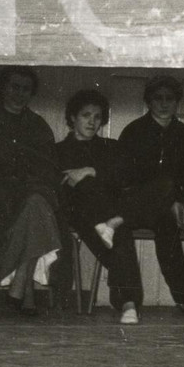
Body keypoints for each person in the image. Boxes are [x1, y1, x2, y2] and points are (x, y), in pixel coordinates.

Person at [0, 66, 64, 316]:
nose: (19, 93)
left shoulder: (38, 125)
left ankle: (20, 285)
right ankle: (26, 291)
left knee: (36, 202)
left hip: (33, 193)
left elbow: (48, 171)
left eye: (26, 89)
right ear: (1, 88)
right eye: (14, 87)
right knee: (36, 211)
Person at [117, 76, 184, 319]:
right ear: (148, 101)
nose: (163, 104)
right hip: (143, 204)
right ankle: (182, 294)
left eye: (169, 99)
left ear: (177, 102)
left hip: (180, 202)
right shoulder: (134, 132)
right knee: (166, 224)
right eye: (157, 98)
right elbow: (125, 177)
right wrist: (172, 202)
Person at [54, 89, 145, 325]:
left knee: (156, 186)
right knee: (119, 232)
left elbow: (128, 177)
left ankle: (112, 224)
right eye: (86, 115)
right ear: (73, 117)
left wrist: (91, 170)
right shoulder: (59, 151)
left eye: (97, 117)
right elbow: (68, 188)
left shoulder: (111, 147)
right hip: (82, 214)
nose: (92, 122)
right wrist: (97, 179)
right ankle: (128, 303)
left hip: (114, 210)